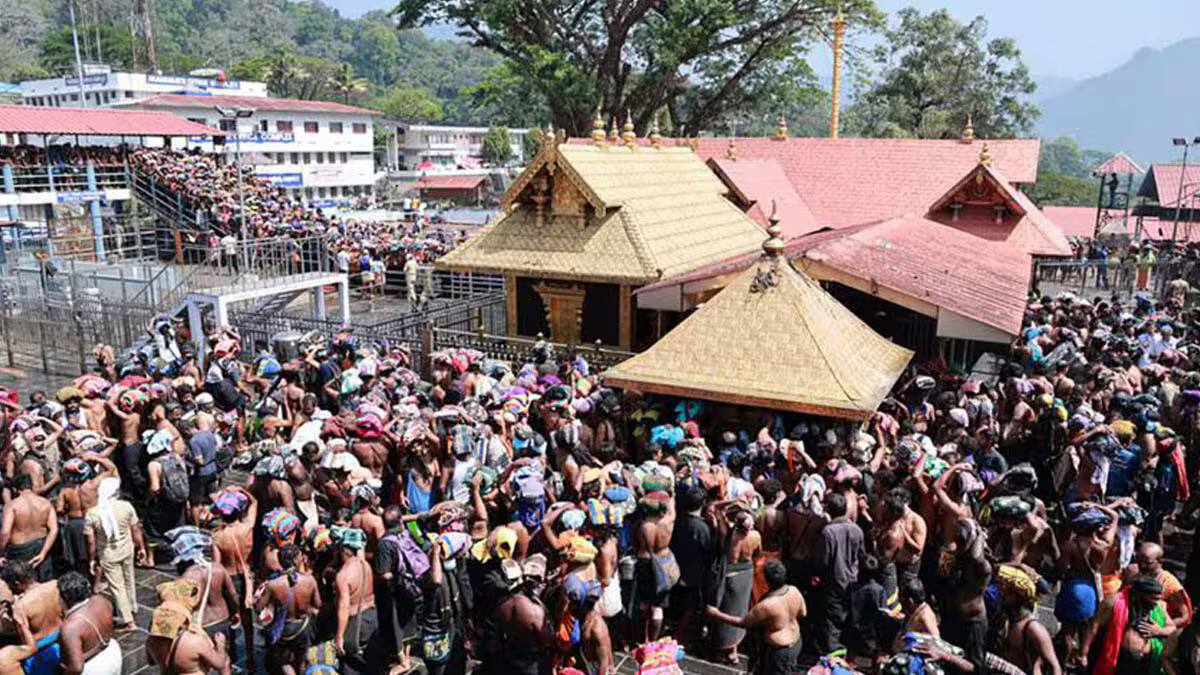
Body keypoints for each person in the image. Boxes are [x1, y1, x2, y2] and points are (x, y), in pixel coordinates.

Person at [706, 560, 804, 675]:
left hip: (779, 652)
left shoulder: (767, 605)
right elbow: (803, 613)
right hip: (796, 642)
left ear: (767, 580)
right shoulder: (794, 591)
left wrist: (716, 614)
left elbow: (744, 622)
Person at [84, 477, 149, 632]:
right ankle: (132, 606)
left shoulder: (93, 513)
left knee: (117, 587)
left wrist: (92, 559)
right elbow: (135, 530)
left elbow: (91, 541)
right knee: (128, 579)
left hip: (108, 553)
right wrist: (141, 548)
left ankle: (128, 621)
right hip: (127, 549)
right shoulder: (126, 507)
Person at [816, 491, 862, 654]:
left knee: (832, 620)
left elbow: (823, 560)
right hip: (852, 580)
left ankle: (832, 653)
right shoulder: (857, 529)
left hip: (834, 579)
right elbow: (861, 555)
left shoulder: (828, 532)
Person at [57, 572, 122, 675]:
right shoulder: (102, 601)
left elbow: (77, 667)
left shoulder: (70, 627)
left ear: (64, 596)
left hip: (94, 668)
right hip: (113, 652)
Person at [0, 474, 58, 581]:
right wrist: (44, 552)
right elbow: (54, 529)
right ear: (31, 486)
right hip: (41, 546)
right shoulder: (45, 503)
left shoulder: (12, 505)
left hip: (20, 550)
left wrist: (1, 552)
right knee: (44, 583)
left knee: (22, 584)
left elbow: (5, 532)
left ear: (14, 489)